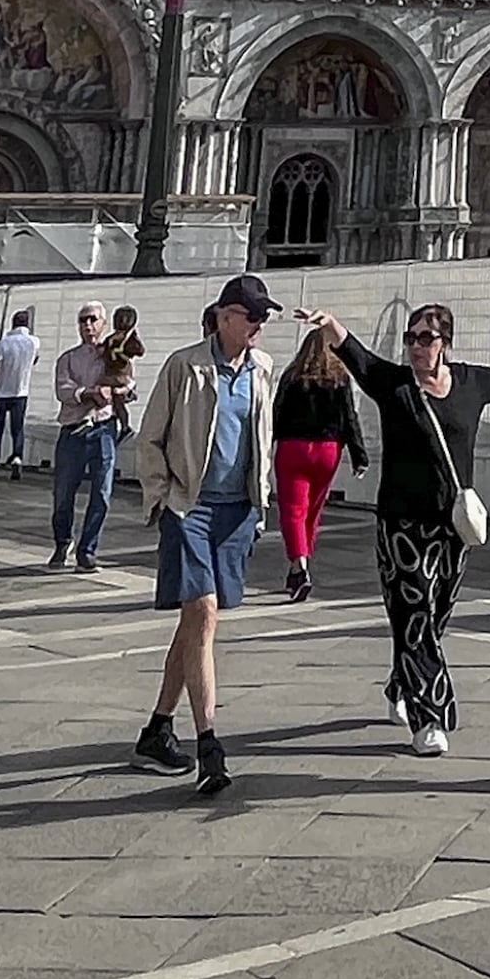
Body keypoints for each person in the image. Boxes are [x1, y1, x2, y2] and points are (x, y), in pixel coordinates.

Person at [335, 300, 490, 757]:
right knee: (413, 616)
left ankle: (401, 682)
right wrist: (331, 326)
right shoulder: (394, 385)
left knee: (436, 616)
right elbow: (358, 357)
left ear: (445, 344)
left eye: (426, 338)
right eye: (411, 338)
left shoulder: (470, 382)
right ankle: (430, 718)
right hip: (401, 526)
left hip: (452, 525)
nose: (416, 347)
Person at [129, 276, 281, 797]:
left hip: (236, 511)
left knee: (196, 624)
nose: (260, 325)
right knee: (204, 613)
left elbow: (261, 439)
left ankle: (156, 730)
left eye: (264, 316)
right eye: (252, 315)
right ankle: (209, 743)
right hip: (189, 507)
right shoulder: (184, 366)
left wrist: (261, 503)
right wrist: (161, 499)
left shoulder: (262, 370)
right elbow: (150, 436)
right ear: (224, 316)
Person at [270, 321, 357, 601]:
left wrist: (268, 444)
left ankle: (299, 566)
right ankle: (302, 560)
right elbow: (349, 418)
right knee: (313, 511)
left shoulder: (292, 376)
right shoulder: (340, 378)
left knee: (293, 510)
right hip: (328, 450)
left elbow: (277, 412)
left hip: (293, 447)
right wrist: (359, 454)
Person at [48, 304, 123, 570]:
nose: (88, 325)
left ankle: (87, 550)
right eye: (83, 320)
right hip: (73, 430)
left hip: (103, 428)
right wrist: (88, 393)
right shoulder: (68, 358)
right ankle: (62, 541)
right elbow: (63, 389)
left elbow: (126, 380)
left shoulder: (113, 355)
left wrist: (121, 391)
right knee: (63, 493)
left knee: (102, 492)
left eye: (93, 319)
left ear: (103, 323)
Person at [0, 309, 46, 472]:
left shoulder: (4, 342)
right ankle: (17, 458)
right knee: (17, 428)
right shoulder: (34, 341)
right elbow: (35, 360)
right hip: (21, 391)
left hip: (1, 392)